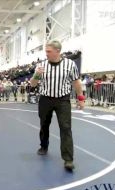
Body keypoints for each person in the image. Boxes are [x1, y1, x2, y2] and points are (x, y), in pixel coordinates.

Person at [30, 40, 84, 171]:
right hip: (45, 99)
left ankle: (68, 159)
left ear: (57, 51)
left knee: (66, 128)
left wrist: (81, 98)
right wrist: (37, 74)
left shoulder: (69, 64)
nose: (46, 54)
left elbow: (76, 82)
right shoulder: (41, 65)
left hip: (63, 100)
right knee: (44, 124)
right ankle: (44, 146)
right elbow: (32, 84)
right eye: (46, 51)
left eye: (48, 51)